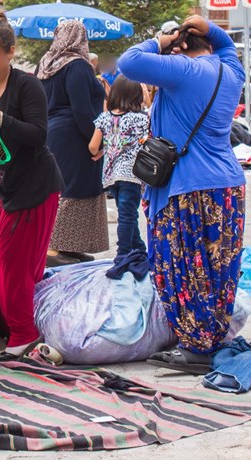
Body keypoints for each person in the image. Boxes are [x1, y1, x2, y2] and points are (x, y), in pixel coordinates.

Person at [119, 16, 246, 372]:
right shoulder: (231, 72)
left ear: (181, 48)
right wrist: (208, 28)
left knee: (182, 267)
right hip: (228, 186)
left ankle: (195, 345)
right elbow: (224, 45)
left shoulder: (184, 70)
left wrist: (159, 42)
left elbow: (130, 62)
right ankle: (210, 336)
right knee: (218, 268)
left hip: (188, 188)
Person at [0, 13, 64, 360]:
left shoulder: (27, 85)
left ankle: (23, 333)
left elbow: (39, 136)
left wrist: (3, 119)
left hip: (36, 186)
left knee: (15, 265)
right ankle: (19, 325)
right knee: (11, 263)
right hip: (3, 188)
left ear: (9, 53)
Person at [38, 20, 109, 266]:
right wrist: (97, 140)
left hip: (53, 133)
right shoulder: (77, 66)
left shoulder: (46, 64)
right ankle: (57, 248)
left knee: (64, 187)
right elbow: (81, 109)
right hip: (75, 135)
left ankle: (68, 246)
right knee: (75, 188)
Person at [89, 76, 148, 259]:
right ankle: (122, 254)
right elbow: (146, 141)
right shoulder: (140, 119)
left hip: (110, 174)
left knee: (126, 213)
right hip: (131, 174)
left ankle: (138, 249)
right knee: (128, 216)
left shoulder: (104, 118)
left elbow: (92, 146)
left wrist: (106, 149)